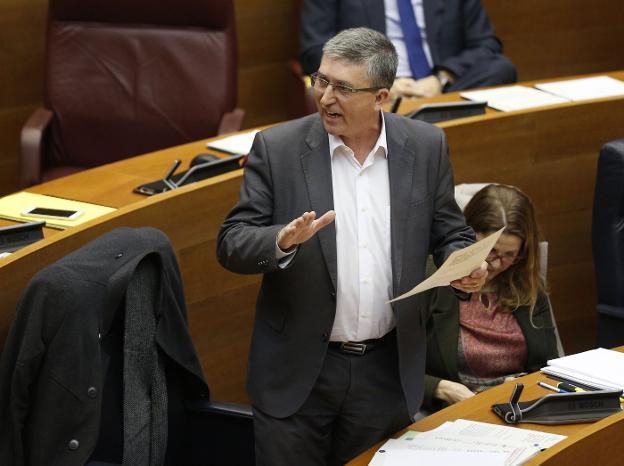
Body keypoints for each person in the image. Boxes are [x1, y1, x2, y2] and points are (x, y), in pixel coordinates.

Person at [217, 27, 487, 465]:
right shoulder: (278, 148)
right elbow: (231, 243)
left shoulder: (425, 146)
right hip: (299, 372)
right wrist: (281, 241)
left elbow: (449, 231)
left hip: (385, 372)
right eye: (321, 81)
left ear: (381, 97)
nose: (325, 98)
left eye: (342, 88)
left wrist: (466, 268)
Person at [422, 184, 560, 412]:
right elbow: (392, 365)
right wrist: (442, 388)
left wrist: (521, 385)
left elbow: (547, 364)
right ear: (466, 236)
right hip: (453, 409)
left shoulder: (526, 285)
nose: (497, 264)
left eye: (509, 255)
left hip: (520, 406)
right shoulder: (435, 278)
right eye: (491, 251)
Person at [299, 0, 516, 99]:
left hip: (442, 87)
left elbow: (487, 43)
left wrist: (441, 79)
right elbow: (314, 51)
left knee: (501, 68)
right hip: (372, 90)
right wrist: (375, 82)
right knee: (340, 90)